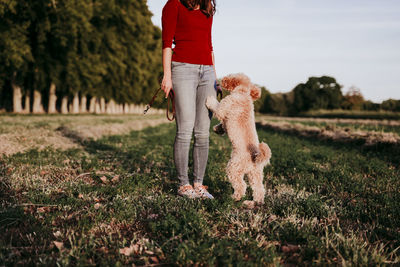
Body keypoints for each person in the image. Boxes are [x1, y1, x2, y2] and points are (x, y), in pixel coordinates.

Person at [161, 0, 217, 199]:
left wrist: (215, 78)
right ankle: (184, 184)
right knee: (185, 129)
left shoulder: (207, 7)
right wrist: (167, 75)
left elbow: (209, 46)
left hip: (207, 72)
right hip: (183, 69)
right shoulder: (174, 4)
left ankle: (199, 184)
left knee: (203, 133)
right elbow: (167, 43)